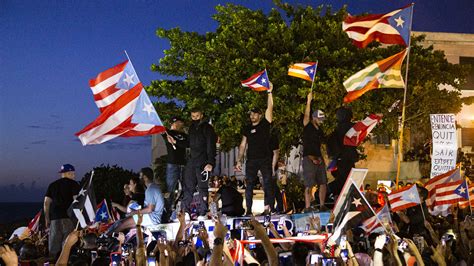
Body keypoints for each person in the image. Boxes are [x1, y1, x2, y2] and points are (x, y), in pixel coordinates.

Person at [236, 82, 274, 215]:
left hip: (264, 158)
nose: (252, 116)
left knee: (267, 183)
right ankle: (248, 210)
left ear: (260, 115)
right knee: (249, 185)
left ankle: (268, 209)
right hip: (251, 159)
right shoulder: (247, 128)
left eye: (254, 114)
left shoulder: (265, 124)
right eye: (250, 114)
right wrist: (239, 160)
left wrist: (269, 92)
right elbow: (242, 145)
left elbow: (270, 109)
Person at [182, 108, 217, 220]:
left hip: (203, 161)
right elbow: (188, 143)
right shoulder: (191, 128)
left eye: (197, 116)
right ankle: (185, 212)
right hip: (192, 160)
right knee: (188, 186)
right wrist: (176, 141)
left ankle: (203, 212)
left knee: (202, 188)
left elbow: (211, 145)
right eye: (193, 116)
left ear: (202, 115)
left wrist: (210, 162)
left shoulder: (208, 128)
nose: (195, 118)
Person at [43, 163, 80, 259]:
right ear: (68, 173)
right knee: (67, 245)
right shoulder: (74, 184)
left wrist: (47, 218)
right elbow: (76, 202)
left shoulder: (52, 185)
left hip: (54, 219)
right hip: (68, 218)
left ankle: (52, 263)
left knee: (53, 245)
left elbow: (46, 203)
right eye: (73, 173)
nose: (74, 175)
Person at [302, 91, 328, 211]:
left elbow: (324, 142)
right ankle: (307, 207)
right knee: (309, 184)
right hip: (309, 157)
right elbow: (306, 116)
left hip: (318, 157)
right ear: (314, 118)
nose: (321, 121)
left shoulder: (319, 130)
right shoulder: (308, 126)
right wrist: (309, 101)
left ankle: (322, 205)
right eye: (319, 118)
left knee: (323, 182)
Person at [327, 106, 358, 195]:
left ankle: (332, 193)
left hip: (341, 159)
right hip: (346, 159)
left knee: (344, 181)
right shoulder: (349, 128)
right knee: (345, 181)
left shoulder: (338, 129)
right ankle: (326, 191)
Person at [164, 116, 189, 210]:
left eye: (181, 123)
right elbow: (161, 129)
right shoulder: (168, 133)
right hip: (172, 163)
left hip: (183, 163)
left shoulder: (184, 135)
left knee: (186, 187)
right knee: (170, 188)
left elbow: (187, 144)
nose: (181, 124)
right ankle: (167, 210)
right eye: (179, 122)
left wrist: (175, 141)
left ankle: (183, 208)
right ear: (174, 123)